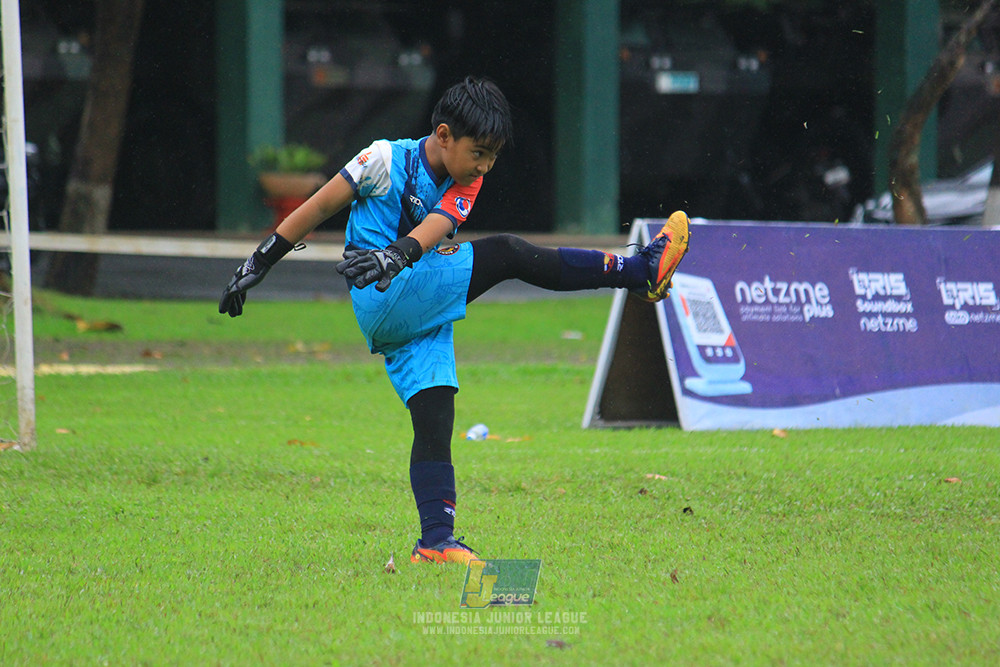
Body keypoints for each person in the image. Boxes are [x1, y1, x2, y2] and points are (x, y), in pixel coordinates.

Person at [219, 76, 690, 565]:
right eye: (479, 152)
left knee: (435, 413)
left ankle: (435, 542)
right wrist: (259, 261)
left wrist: (398, 254)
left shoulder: (468, 178)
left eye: (493, 156)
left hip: (411, 292)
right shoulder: (383, 159)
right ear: (443, 135)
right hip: (384, 296)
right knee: (507, 253)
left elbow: (438, 226)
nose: (485, 165)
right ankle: (637, 270)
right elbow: (318, 206)